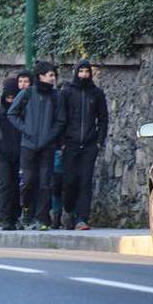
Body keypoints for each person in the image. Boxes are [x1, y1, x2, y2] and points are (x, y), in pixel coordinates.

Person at [8, 60, 67, 231]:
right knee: (27, 181)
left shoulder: (56, 96)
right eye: (50, 75)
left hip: (47, 146)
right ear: (41, 76)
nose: (53, 78)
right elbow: (12, 113)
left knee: (45, 183)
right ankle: (26, 210)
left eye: (54, 76)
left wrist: (50, 136)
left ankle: (42, 219)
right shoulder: (27, 93)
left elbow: (60, 120)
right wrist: (26, 129)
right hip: (28, 145)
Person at [60, 59, 109, 230]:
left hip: (89, 145)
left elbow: (103, 118)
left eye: (86, 72)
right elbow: (61, 118)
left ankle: (82, 218)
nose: (84, 75)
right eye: (81, 71)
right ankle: (69, 210)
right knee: (70, 181)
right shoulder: (67, 92)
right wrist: (62, 142)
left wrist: (98, 142)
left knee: (85, 180)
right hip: (70, 144)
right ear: (76, 72)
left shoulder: (96, 93)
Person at [0, 78, 23, 230]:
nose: (10, 100)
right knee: (5, 185)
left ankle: (15, 217)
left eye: (13, 98)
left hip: (19, 152)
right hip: (3, 153)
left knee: (16, 186)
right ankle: (5, 218)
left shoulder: (22, 110)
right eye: (8, 98)